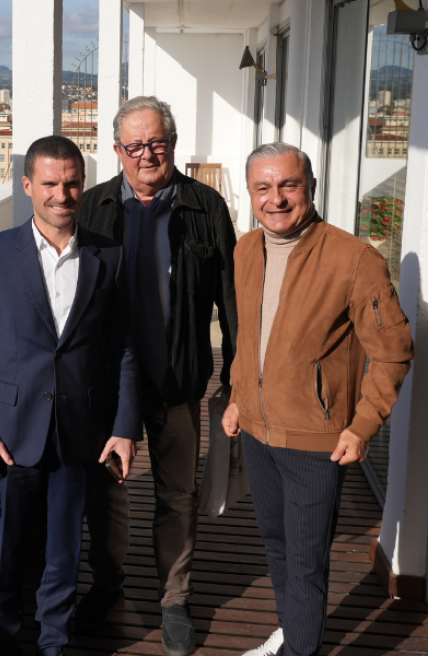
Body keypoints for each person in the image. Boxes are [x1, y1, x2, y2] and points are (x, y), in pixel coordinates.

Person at [223, 143, 414, 656]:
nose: (277, 199)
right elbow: (248, 335)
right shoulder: (246, 249)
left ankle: (300, 648)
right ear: (251, 193)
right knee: (278, 548)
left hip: (316, 443)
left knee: (306, 563)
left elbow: (394, 351)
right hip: (257, 433)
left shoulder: (354, 259)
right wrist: (239, 396)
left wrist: (363, 425)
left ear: (310, 186)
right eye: (263, 187)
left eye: (289, 185)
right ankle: (294, 632)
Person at [0, 135, 140, 656]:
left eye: (72, 183)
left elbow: (123, 348)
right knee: (6, 553)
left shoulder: (109, 255)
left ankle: (54, 646)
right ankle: (2, 643)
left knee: (63, 554)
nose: (62, 194)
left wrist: (125, 428)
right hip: (9, 434)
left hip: (80, 432)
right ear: (28, 185)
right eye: (51, 183)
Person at [75, 95, 237, 655]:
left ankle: (174, 598)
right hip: (106, 385)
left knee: (177, 494)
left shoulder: (205, 206)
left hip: (178, 380)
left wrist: (235, 375)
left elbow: (231, 299)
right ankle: (108, 583)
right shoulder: (92, 207)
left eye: (157, 142)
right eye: (135, 145)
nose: (147, 154)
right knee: (106, 491)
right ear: (117, 150)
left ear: (173, 143)